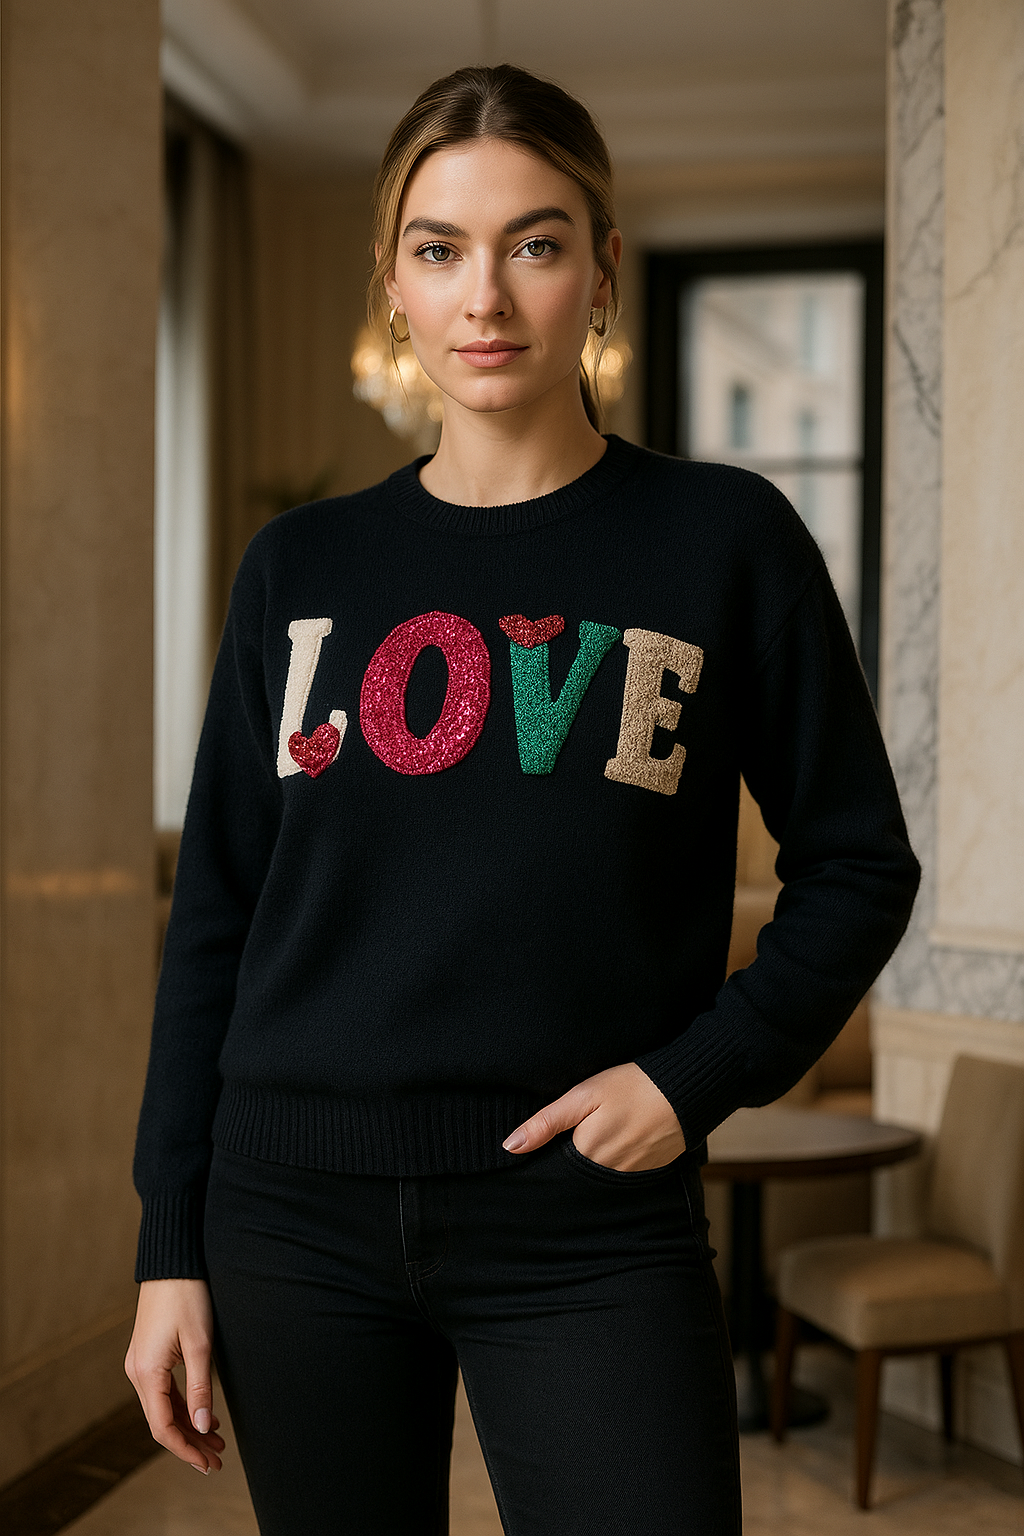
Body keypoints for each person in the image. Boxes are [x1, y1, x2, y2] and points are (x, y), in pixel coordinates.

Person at [125, 63, 920, 1536]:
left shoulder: (725, 540)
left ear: (601, 270)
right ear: (394, 285)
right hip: (289, 1215)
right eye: (439, 249)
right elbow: (217, 926)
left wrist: (692, 1080)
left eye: (534, 243)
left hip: (587, 1229)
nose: (484, 295)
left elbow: (860, 868)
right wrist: (168, 1243)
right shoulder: (299, 570)